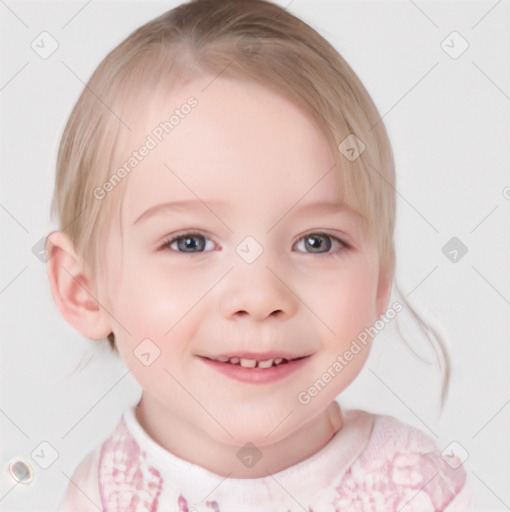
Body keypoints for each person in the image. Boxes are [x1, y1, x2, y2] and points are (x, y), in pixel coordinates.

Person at [45, 0, 475, 510]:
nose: (259, 296)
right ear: (85, 290)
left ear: (380, 280)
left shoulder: (416, 489)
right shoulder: (104, 495)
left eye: (317, 242)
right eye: (190, 242)